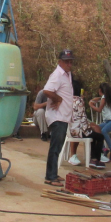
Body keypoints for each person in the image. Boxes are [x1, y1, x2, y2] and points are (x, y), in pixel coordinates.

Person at [42, 50, 75, 186]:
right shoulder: (57, 75)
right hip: (58, 116)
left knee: (58, 147)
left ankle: (53, 173)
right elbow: (47, 90)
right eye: (66, 61)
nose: (68, 64)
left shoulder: (67, 75)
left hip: (64, 116)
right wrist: (58, 98)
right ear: (59, 61)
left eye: (70, 61)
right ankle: (50, 176)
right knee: (55, 147)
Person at [68, 78, 106, 170]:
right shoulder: (80, 101)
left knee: (92, 134)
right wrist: (90, 126)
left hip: (69, 131)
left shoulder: (67, 100)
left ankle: (93, 159)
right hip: (79, 131)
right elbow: (83, 119)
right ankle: (95, 159)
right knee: (98, 136)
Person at [90, 82, 111, 162]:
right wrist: (94, 100)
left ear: (100, 90)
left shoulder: (104, 98)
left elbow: (99, 110)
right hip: (109, 121)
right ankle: (103, 148)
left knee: (103, 131)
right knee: (97, 128)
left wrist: (91, 105)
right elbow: (100, 99)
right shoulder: (107, 97)